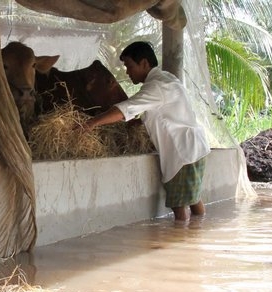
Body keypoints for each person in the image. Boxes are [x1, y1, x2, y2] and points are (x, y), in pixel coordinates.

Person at [81, 41, 211, 221]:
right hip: (193, 148)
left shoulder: (156, 86)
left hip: (182, 153)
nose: (127, 72)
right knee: (194, 199)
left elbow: (125, 108)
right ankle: (199, 234)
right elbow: (165, 111)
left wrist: (92, 123)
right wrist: (140, 122)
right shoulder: (167, 79)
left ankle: (184, 242)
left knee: (179, 206)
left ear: (144, 63)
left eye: (129, 66)